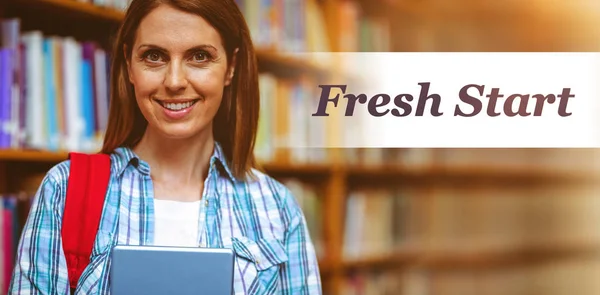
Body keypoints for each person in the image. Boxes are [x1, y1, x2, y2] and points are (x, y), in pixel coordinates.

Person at [9, 0, 322, 294]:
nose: (174, 81)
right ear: (130, 66)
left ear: (231, 67)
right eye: (154, 56)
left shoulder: (278, 208)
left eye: (199, 56)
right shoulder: (64, 190)